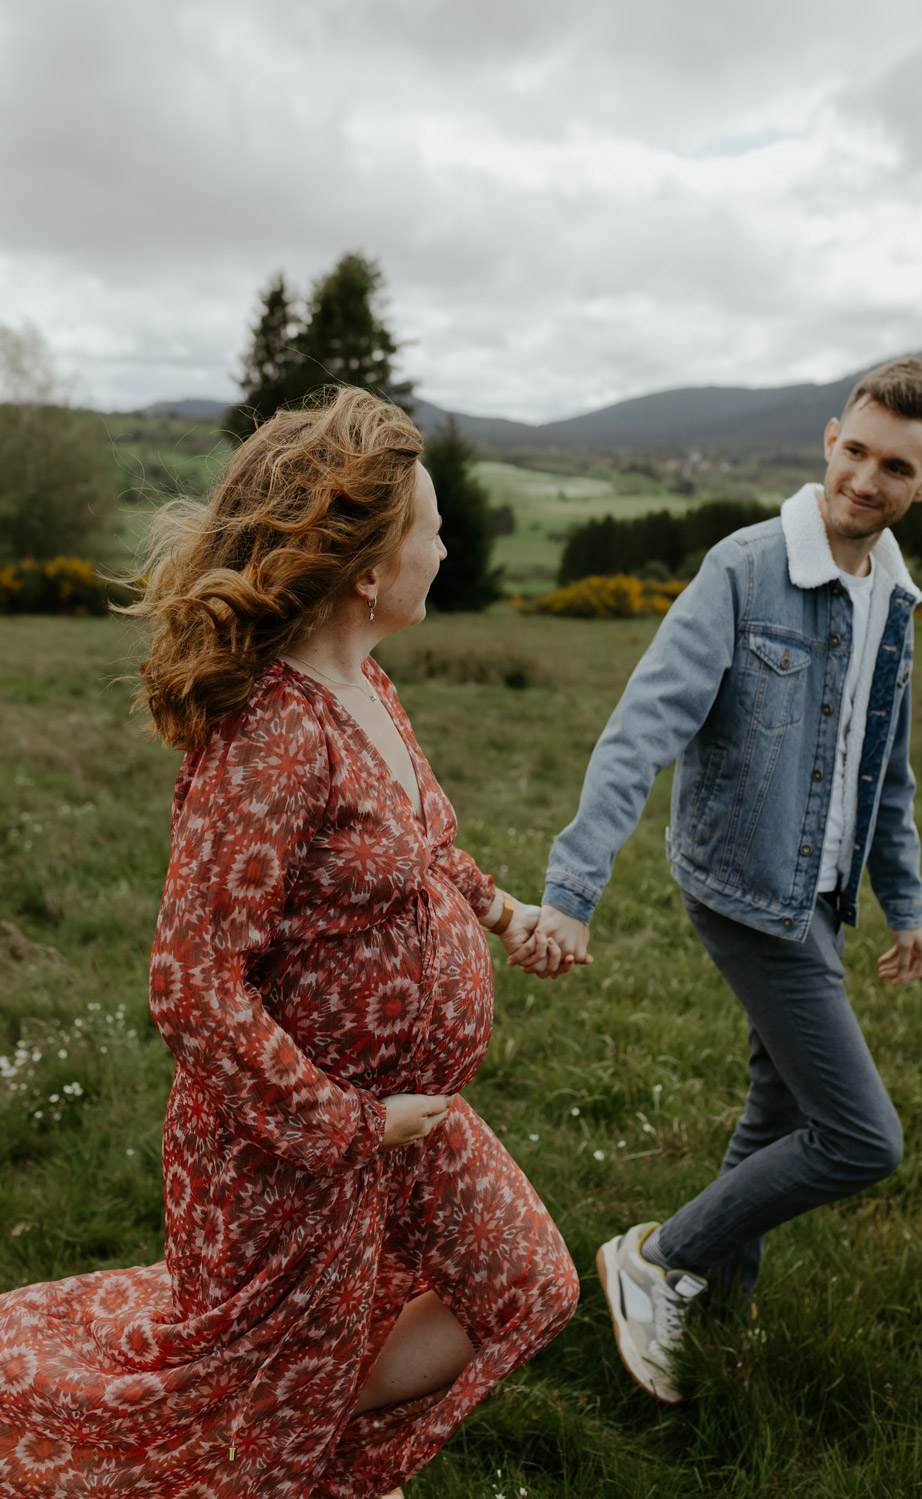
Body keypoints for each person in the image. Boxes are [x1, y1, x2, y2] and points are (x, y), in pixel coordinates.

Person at [0, 387, 578, 1497]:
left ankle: (292, 1416)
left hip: (405, 1119)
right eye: (432, 526)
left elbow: (425, 846)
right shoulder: (271, 731)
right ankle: (247, 1422)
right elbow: (191, 984)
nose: (449, 544)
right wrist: (352, 1123)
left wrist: (506, 916)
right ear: (368, 568)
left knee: (524, 1280)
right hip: (290, 1150)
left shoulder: (370, 687)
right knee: (243, 1410)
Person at [516, 356, 922, 1405]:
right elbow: (638, 732)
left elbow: (882, 766)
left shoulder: (893, 595)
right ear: (826, 438)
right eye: (854, 450)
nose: (865, 478)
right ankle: (660, 1257)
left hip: (825, 893)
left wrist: (907, 900)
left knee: (776, 1109)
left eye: (895, 466)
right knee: (859, 1136)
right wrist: (571, 892)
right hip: (746, 888)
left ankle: (717, 1317)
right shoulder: (745, 568)